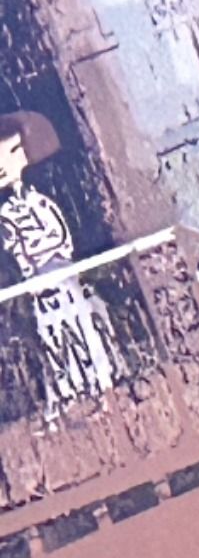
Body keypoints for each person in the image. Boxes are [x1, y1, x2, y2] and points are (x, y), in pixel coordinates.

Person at [1, 109, 118, 419]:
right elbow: (14, 248)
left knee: (82, 326)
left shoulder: (40, 200)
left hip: (61, 272)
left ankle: (102, 385)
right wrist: (27, 272)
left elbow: (60, 230)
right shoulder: (6, 215)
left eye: (11, 152)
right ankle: (68, 392)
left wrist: (59, 256)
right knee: (52, 335)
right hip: (38, 284)